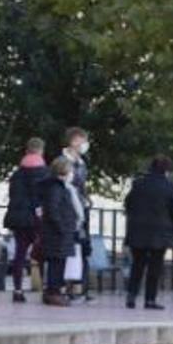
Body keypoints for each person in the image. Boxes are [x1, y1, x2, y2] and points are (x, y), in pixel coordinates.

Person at [123, 156, 173, 310]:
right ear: (166, 170)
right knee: (155, 267)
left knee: (137, 264)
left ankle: (131, 296)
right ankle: (150, 299)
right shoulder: (169, 186)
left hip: (137, 231)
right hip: (161, 232)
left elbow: (128, 204)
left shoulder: (138, 184)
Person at [3, 137, 48, 303]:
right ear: (41, 151)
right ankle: (46, 289)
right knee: (43, 254)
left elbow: (12, 195)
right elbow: (43, 198)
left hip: (18, 218)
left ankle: (17, 289)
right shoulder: (44, 172)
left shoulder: (17, 174)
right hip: (36, 219)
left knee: (20, 255)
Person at [39, 156, 81, 307]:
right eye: (70, 170)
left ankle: (55, 291)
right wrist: (62, 228)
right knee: (56, 264)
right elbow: (53, 210)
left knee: (59, 263)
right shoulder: (56, 188)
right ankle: (53, 292)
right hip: (57, 233)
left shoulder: (60, 187)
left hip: (61, 232)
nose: (72, 173)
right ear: (63, 171)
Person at [61, 127, 94, 302]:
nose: (84, 145)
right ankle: (66, 287)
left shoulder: (82, 162)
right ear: (73, 141)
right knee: (69, 247)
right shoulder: (63, 161)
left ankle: (79, 286)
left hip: (81, 208)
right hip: (68, 208)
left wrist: (87, 199)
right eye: (82, 141)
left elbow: (83, 185)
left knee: (82, 247)